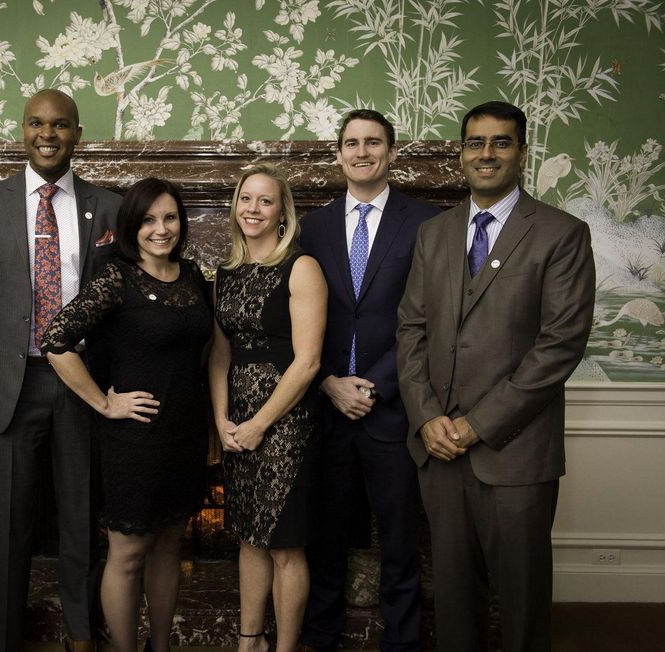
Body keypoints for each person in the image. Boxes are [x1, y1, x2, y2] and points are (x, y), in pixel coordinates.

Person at [396, 101, 595, 652]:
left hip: (515, 451)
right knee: (454, 599)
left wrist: (476, 425)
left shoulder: (561, 233)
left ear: (523, 152)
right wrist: (428, 416)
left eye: (500, 142)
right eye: (475, 142)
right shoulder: (433, 234)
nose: (486, 154)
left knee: (522, 600)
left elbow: (560, 346)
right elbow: (410, 329)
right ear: (461, 152)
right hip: (437, 450)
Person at [0, 89, 121, 652]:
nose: (47, 134)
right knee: (9, 526)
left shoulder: (111, 207)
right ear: (22, 130)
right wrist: (0, 363)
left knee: (81, 520)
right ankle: (7, 639)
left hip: (83, 385)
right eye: (36, 123)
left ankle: (82, 636)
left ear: (78, 133)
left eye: (60, 125)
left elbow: (117, 297)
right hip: (16, 385)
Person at [42, 178, 212, 652]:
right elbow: (55, 340)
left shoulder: (194, 275)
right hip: (134, 439)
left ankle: (160, 647)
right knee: (129, 552)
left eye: (170, 217)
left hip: (184, 434)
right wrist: (104, 402)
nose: (161, 229)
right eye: (149, 220)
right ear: (130, 227)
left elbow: (202, 352)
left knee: (169, 548)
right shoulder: (116, 277)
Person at [299, 109, 439, 652]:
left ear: (392, 153)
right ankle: (320, 636)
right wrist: (332, 382)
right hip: (326, 408)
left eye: (373, 143)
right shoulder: (311, 227)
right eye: (351, 143)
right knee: (325, 537)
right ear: (338, 154)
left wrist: (373, 384)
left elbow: (428, 318)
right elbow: (296, 322)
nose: (362, 152)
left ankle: (402, 642)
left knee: (401, 541)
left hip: (395, 408)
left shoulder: (427, 223)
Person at [208, 164, 327, 652]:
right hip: (236, 419)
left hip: (286, 421)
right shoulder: (226, 273)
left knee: (284, 543)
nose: (253, 209)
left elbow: (308, 362)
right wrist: (221, 419)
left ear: (283, 213)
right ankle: (249, 640)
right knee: (248, 536)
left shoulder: (301, 267)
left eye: (265, 201)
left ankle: (285, 648)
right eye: (245, 199)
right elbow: (219, 354)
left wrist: (260, 423)